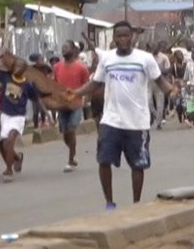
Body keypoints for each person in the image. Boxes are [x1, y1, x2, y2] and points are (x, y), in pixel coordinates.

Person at [71, 21, 177, 210]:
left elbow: (160, 81)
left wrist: (172, 92)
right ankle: (109, 202)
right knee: (104, 160)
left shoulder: (145, 59)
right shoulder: (107, 59)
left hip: (137, 122)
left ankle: (136, 203)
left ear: (132, 37)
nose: (123, 39)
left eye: (126, 35)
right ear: (114, 38)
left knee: (138, 165)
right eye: (119, 36)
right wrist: (75, 93)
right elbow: (95, 83)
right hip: (111, 120)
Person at [0, 56, 49, 182]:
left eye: (20, 67)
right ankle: (18, 157)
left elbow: (37, 99)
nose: (17, 69)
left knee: (10, 140)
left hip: (18, 117)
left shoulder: (27, 85)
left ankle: (9, 170)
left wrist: (46, 114)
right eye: (16, 66)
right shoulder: (5, 77)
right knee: (5, 144)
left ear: (24, 70)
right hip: (5, 115)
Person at [54, 41, 90, 172]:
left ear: (74, 50)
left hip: (75, 105)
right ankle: (73, 152)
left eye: (66, 47)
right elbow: (55, 84)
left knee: (71, 129)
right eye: (62, 48)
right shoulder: (57, 67)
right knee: (65, 134)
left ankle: (71, 159)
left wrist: (85, 100)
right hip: (62, 105)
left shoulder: (81, 68)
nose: (64, 50)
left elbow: (87, 85)